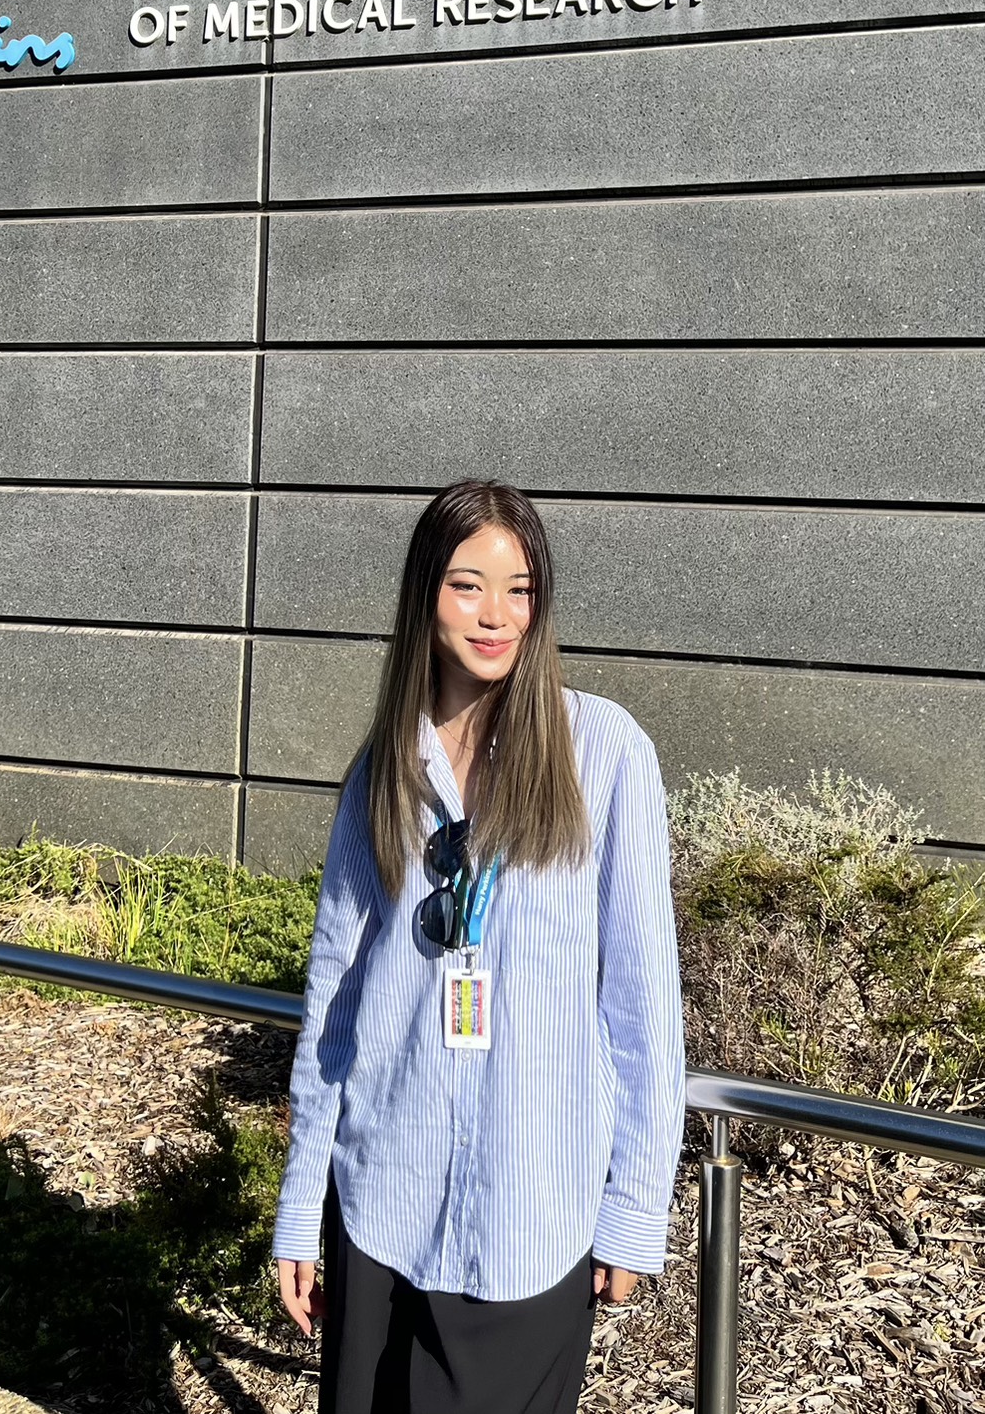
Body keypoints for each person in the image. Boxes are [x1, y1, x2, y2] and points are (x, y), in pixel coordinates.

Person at [272, 479, 685, 1414]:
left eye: (519, 589)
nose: (496, 614)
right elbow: (336, 998)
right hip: (382, 1204)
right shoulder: (382, 772)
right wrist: (300, 1204)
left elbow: (643, 1007)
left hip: (529, 1222)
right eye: (468, 585)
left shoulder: (605, 753)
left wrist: (633, 1210)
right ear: (425, 593)